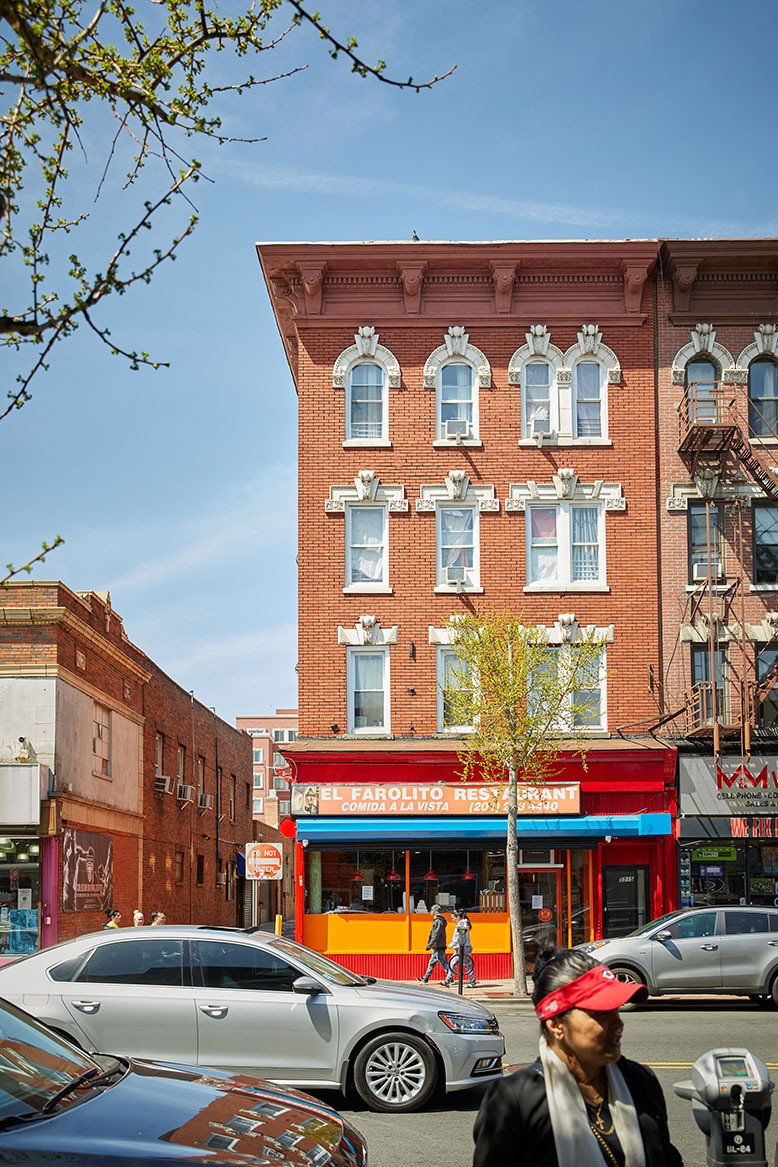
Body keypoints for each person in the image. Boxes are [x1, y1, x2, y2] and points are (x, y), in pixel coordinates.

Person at [472, 946, 684, 1167]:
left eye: (616, 1010)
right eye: (601, 1013)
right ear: (556, 1025)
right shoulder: (516, 1100)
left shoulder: (640, 1081)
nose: (617, 1024)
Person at [417, 904, 450, 984]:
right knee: (432, 963)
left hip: (438, 946)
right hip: (437, 946)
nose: (430, 912)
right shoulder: (438, 921)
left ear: (434, 912)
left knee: (444, 963)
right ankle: (425, 978)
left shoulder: (438, 921)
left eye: (431, 910)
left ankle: (450, 978)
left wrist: (429, 945)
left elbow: (435, 934)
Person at [446, 907, 476, 987]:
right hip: (460, 947)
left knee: (466, 964)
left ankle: (472, 982)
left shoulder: (462, 924)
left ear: (458, 917)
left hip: (463, 947)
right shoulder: (463, 923)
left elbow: (459, 936)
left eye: (453, 918)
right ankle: (447, 980)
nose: (452, 920)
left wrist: (452, 944)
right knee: (453, 963)